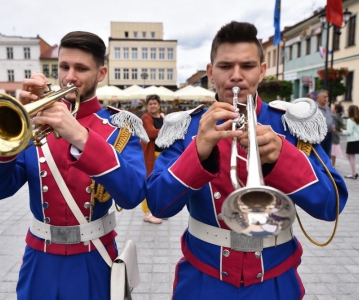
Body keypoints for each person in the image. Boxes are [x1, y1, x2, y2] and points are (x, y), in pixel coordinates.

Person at [146, 21, 348, 299]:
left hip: (275, 280)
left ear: (262, 71)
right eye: (226, 66)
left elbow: (331, 206)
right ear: (211, 73)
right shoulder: (186, 126)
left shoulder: (290, 125)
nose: (236, 76)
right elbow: (158, 205)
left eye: (248, 66)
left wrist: (283, 158)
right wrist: (197, 153)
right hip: (203, 279)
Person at [0, 31, 147, 299]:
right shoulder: (37, 123)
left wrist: (80, 136)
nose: (69, 77)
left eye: (81, 68)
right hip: (39, 260)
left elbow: (134, 194)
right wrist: (12, 133)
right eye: (64, 67)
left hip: (94, 259)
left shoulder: (118, 128)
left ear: (101, 74)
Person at [140, 94, 165, 224]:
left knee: (161, 183)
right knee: (149, 182)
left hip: (163, 155)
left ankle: (159, 210)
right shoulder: (146, 118)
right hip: (151, 155)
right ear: (147, 106)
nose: (153, 106)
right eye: (150, 104)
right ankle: (147, 213)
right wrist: (168, 129)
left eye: (155, 103)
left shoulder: (162, 117)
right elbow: (151, 133)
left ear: (159, 105)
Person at [341, 105, 359, 179]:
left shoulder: (350, 120)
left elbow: (349, 132)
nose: (347, 110)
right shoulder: (357, 119)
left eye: (348, 109)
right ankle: (353, 173)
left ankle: (353, 173)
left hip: (352, 140)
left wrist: (343, 131)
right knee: (349, 155)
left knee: (351, 156)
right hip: (357, 139)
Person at [317, 89, 335, 158]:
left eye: (327, 97)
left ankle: (327, 168)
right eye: (324, 97)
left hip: (329, 135)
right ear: (318, 97)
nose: (326, 99)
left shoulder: (327, 108)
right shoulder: (315, 108)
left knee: (327, 155)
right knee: (319, 155)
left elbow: (331, 118)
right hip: (319, 135)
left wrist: (333, 125)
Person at [331, 103, 345, 167]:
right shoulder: (340, 117)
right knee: (334, 152)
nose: (332, 108)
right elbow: (342, 127)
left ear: (336, 109)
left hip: (332, 135)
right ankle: (333, 165)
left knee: (331, 151)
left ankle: (330, 165)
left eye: (333, 107)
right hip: (336, 135)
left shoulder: (333, 117)